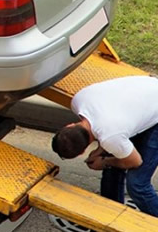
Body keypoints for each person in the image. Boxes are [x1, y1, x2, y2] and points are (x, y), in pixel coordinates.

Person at [52, 75, 158, 217]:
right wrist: (100, 151)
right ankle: (111, 216)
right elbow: (104, 128)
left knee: (137, 185)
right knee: (115, 157)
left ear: (82, 151)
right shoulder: (78, 102)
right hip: (147, 88)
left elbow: (135, 161)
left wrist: (105, 162)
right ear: (69, 126)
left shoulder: (110, 136)